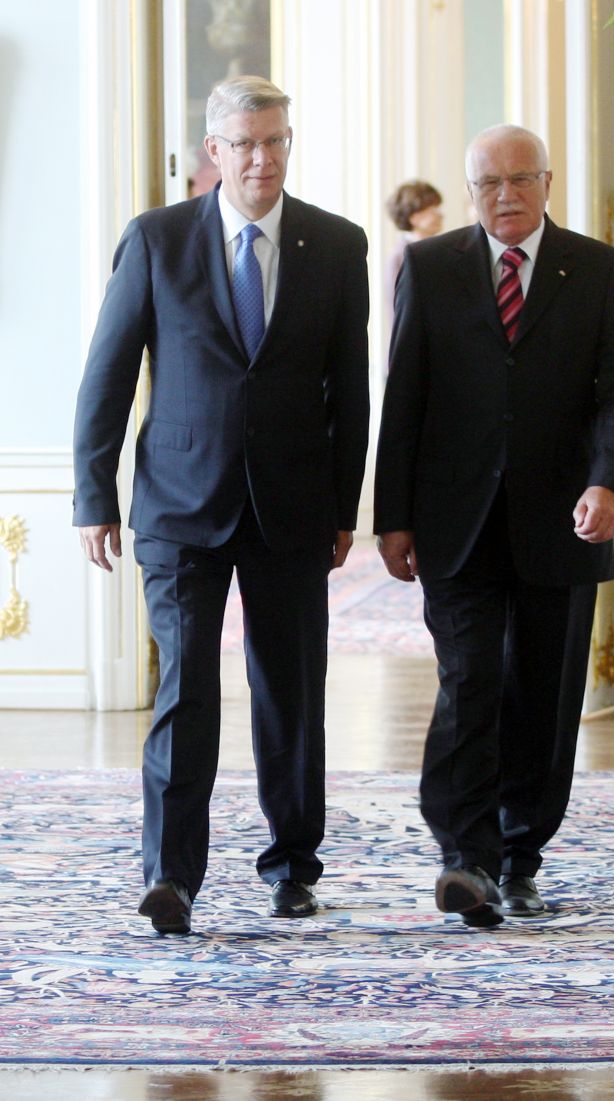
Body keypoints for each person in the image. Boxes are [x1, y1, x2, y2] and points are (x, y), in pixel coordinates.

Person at [73, 76, 370, 934]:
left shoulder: (336, 243)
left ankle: (292, 866)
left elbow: (350, 388)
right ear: (215, 150)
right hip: (178, 504)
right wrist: (94, 495)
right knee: (184, 690)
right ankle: (171, 875)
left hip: (292, 506)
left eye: (275, 141)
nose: (262, 159)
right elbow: (108, 372)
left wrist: (343, 506)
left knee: (291, 693)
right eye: (244, 143)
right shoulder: (157, 239)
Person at [374, 124, 614, 928]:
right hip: (455, 518)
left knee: (542, 693)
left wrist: (609, 480)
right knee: (468, 681)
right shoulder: (430, 266)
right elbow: (405, 393)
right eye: (488, 184)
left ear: (547, 182)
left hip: (564, 519)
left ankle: (520, 855)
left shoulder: (597, 269)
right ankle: (464, 855)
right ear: (470, 192)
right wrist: (392, 518)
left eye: (520, 179)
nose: (505, 196)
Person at [384, 180, 443, 329]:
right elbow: (398, 309)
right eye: (432, 209)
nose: (440, 215)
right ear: (414, 216)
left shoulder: (438, 249)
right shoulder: (400, 256)